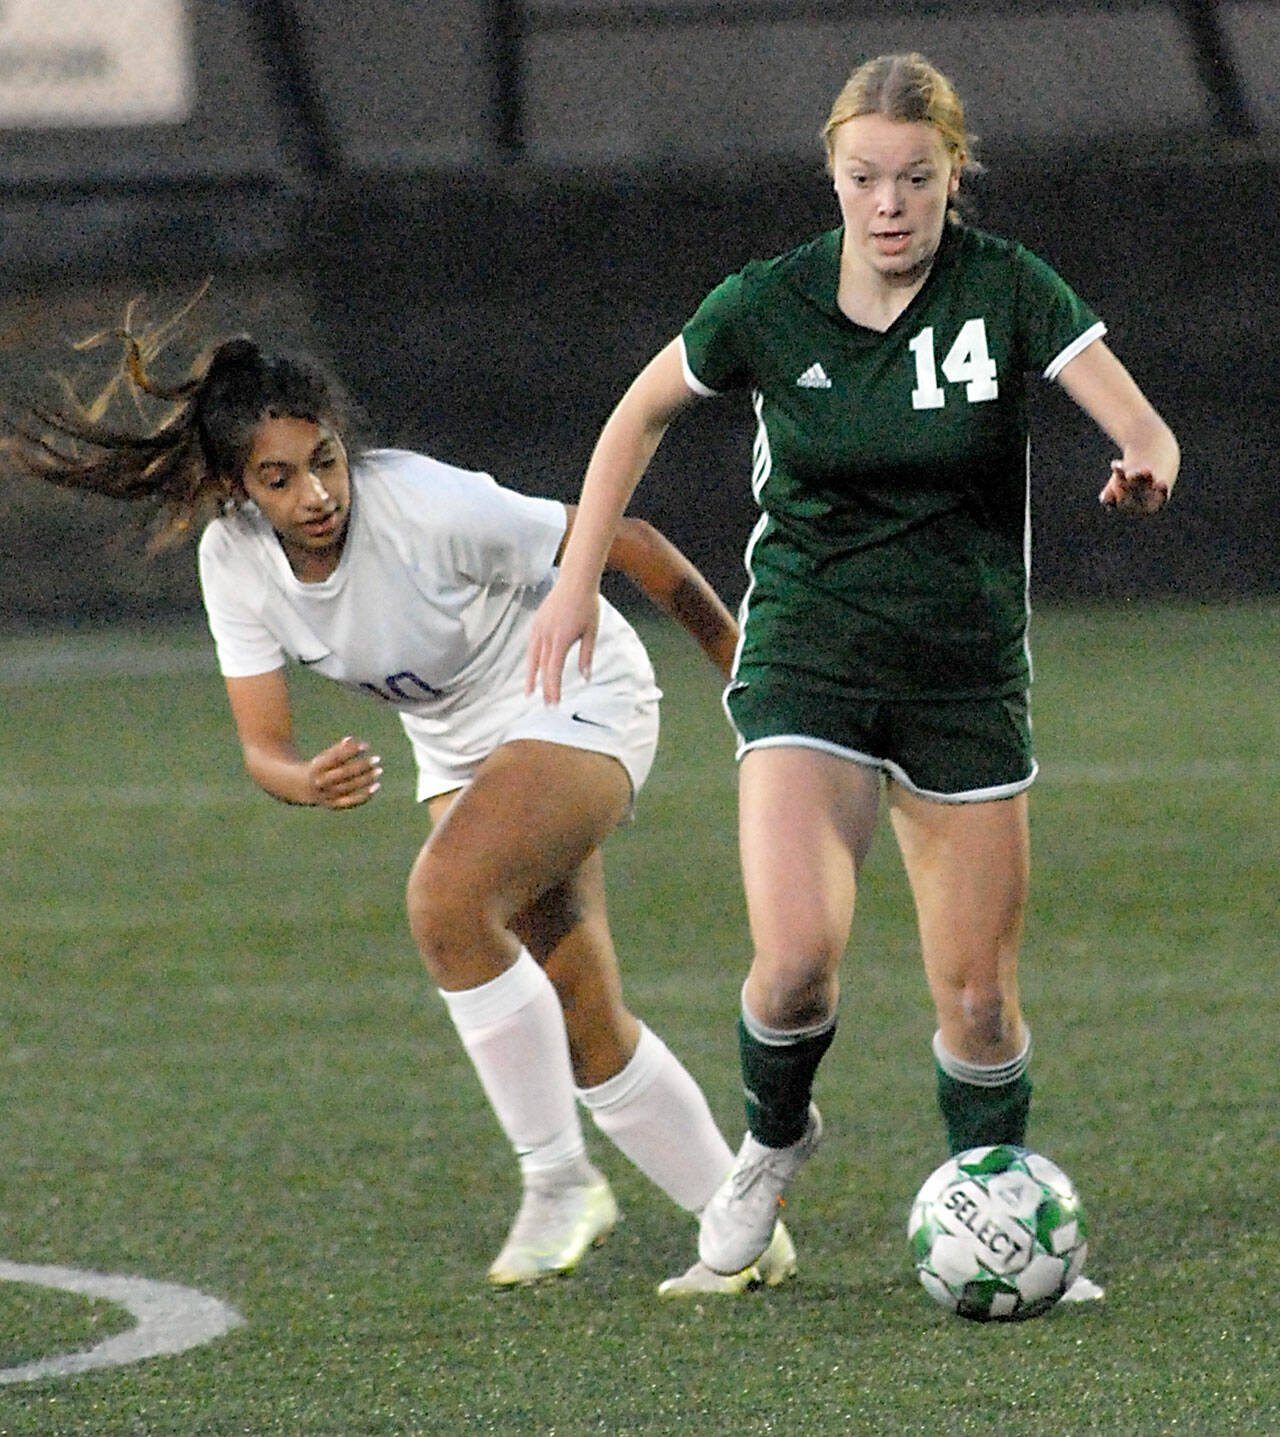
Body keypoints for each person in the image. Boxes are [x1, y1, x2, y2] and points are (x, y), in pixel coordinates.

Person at [527, 52, 1179, 1290]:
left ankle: (996, 1215)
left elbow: (1140, 424)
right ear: (830, 175)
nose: (889, 204)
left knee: (977, 1004)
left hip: (961, 673)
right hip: (807, 657)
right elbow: (636, 414)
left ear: (952, 175)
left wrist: (1145, 464)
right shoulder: (767, 303)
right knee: (790, 969)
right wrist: (574, 578)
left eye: (915, 179)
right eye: (865, 177)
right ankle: (771, 1143)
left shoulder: (1006, 288)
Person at [4, 322, 798, 1297]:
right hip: (458, 741)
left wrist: (753, 681)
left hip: (574, 685)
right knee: (580, 1009)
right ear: (236, 489)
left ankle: (558, 1182)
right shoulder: (233, 561)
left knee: (444, 901)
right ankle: (742, 1224)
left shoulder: (422, 503)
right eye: (279, 478)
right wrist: (301, 779)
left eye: (325, 461)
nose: (316, 493)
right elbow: (262, 746)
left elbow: (631, 544)